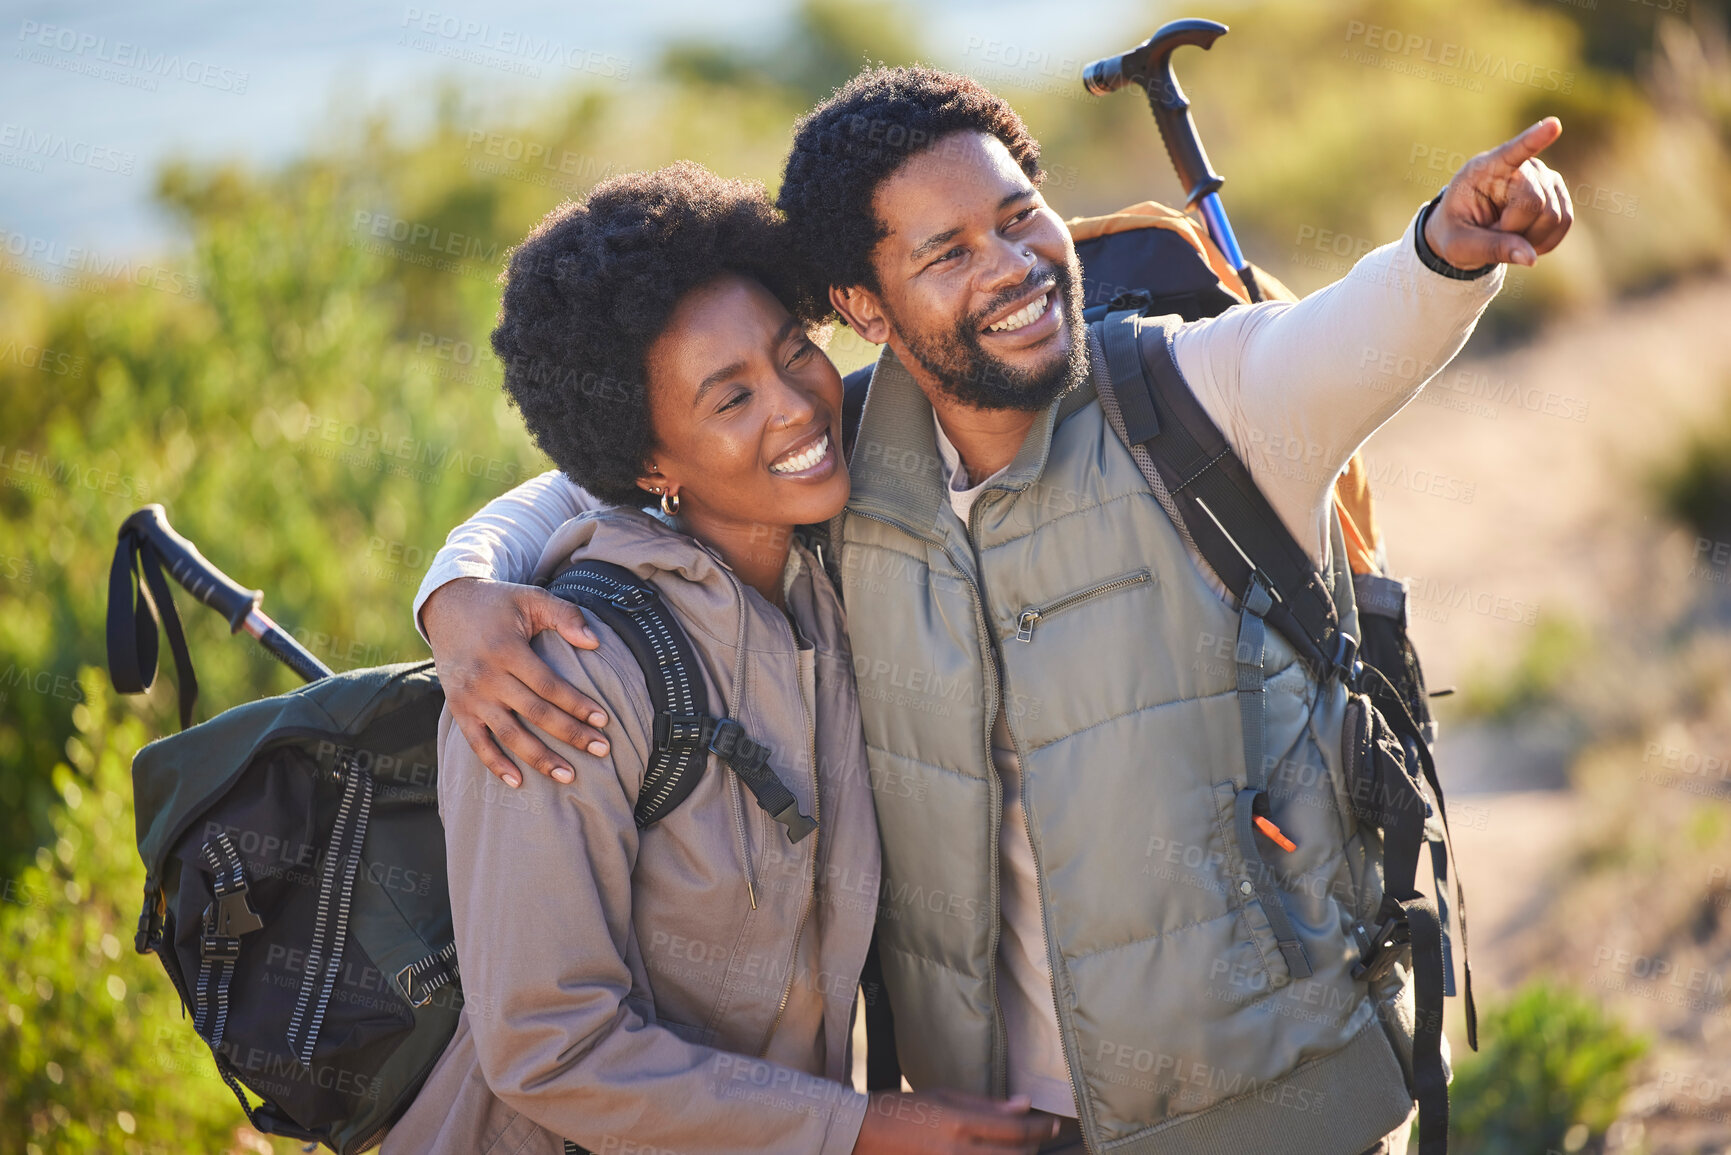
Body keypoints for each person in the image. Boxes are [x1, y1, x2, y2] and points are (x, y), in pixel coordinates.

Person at [416, 69, 1572, 1155]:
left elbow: (1340, 339)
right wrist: (461, 588)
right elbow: (607, 468)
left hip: (1268, 1102)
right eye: (948, 252)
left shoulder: (1135, 410)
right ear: (868, 308)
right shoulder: (734, 543)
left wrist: (1443, 254)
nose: (1011, 266)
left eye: (1020, 219)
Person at [383, 161, 1059, 1155]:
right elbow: (548, 1048)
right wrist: (860, 1130)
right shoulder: (561, 674)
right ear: (647, 463)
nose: (795, 409)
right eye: (729, 399)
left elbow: (982, 338)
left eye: (794, 354)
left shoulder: (828, 579)